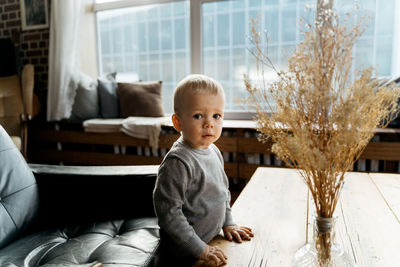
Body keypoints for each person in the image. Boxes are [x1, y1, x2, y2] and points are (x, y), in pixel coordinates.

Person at [153, 74, 253, 266]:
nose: (210, 123)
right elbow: (169, 215)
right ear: (177, 122)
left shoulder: (213, 151)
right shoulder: (178, 162)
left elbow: (222, 192)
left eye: (217, 115)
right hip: (183, 254)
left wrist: (228, 222)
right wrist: (201, 249)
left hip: (212, 240)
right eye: (198, 115)